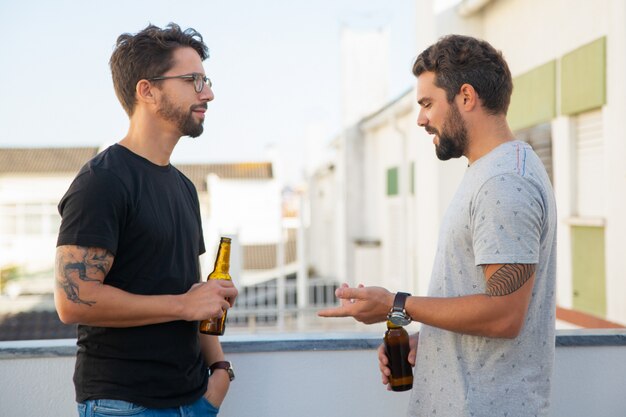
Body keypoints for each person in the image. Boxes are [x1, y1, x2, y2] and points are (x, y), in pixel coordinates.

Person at [319, 34, 557, 417]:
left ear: (466, 96)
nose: (421, 119)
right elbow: (479, 299)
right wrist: (430, 343)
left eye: (428, 103)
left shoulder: (504, 182)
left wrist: (395, 304)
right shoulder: (491, 172)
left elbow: (504, 315)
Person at [54, 23, 238, 417]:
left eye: (205, 80)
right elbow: (72, 301)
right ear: (147, 90)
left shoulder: (184, 188)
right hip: (125, 406)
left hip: (193, 400)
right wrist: (184, 305)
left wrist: (220, 370)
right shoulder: (103, 180)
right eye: (193, 80)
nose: (208, 93)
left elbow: (192, 294)